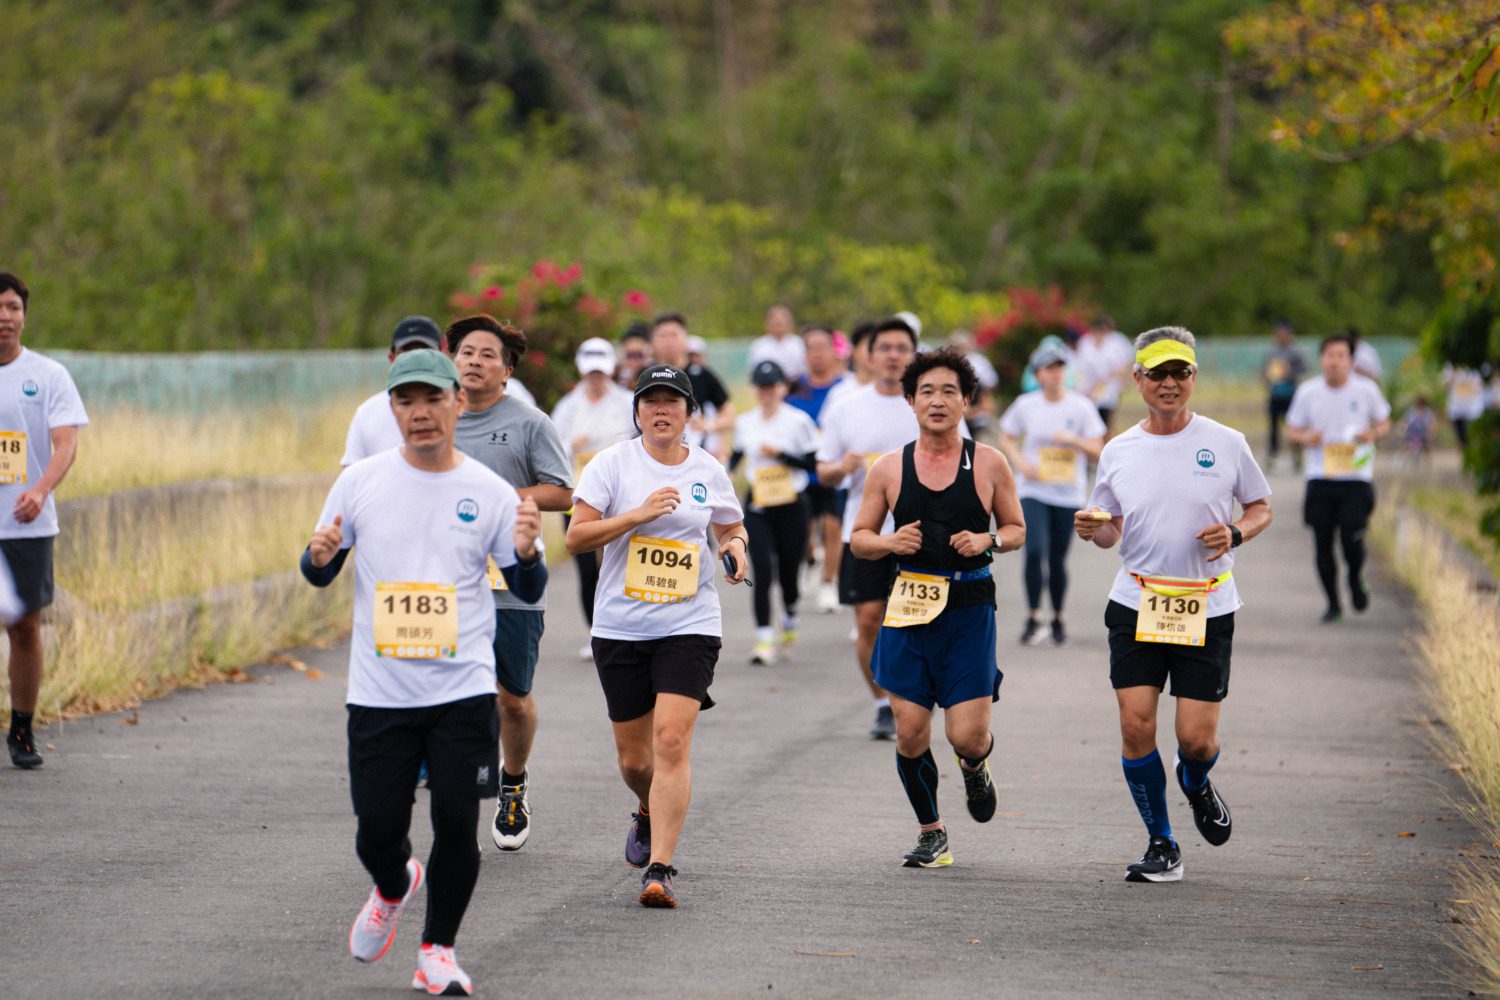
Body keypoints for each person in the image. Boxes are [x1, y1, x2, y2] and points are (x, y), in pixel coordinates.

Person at [301, 348, 546, 995]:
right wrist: (317, 556)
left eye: (432, 399)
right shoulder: (361, 482)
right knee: (377, 830)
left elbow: (526, 579)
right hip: (379, 694)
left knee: (456, 823)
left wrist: (524, 552)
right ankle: (392, 884)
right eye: (405, 402)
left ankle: (437, 950)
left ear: (456, 404)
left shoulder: (490, 493)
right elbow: (321, 568)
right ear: (392, 410)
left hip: (462, 691)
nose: (420, 413)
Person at [1074, 326, 1272, 884]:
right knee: (1137, 726)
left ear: (1193, 378)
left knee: (1196, 739)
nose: (1168, 383)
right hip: (1137, 600)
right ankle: (1162, 842)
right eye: (1157, 373)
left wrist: (1236, 533)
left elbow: (1261, 506)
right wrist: (1095, 530)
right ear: (1136, 379)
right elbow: (1110, 528)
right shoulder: (1118, 450)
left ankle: (1196, 780)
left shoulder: (1227, 441)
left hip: (1205, 605)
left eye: (1179, 373)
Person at [566, 363, 748, 909]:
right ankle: (645, 807)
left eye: (673, 402)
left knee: (671, 741)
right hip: (621, 625)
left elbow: (730, 526)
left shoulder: (709, 470)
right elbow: (576, 537)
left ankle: (660, 868)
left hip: (689, 623)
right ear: (638, 411)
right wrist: (637, 515)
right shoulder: (611, 465)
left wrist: (734, 549)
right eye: (651, 402)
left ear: (691, 413)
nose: (661, 411)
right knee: (635, 762)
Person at [852, 348, 1025, 867]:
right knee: (909, 730)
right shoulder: (888, 468)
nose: (938, 400)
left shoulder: (990, 462)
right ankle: (932, 832)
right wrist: (889, 544)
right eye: (926, 391)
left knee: (966, 735)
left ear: (967, 400)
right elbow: (859, 537)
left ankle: (974, 768)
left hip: (970, 606)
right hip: (908, 604)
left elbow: (1017, 530)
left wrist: (987, 541)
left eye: (950, 391)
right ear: (910, 401)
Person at [446, 314, 573, 853]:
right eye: (466, 352)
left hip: (513, 576)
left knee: (512, 699)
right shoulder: (438, 417)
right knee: (448, 689)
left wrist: (503, 496)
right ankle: (449, 780)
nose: (474, 362)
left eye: (486, 355)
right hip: (449, 578)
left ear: (507, 369)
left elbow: (563, 493)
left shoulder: (529, 423)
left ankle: (513, 782)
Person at [818, 317, 967, 740]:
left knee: (922, 622)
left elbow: (966, 458)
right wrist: (840, 467)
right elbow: (822, 469)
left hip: (925, 535)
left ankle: (918, 697)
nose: (892, 355)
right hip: (863, 533)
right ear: (869, 354)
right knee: (868, 621)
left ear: (914, 354)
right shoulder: (845, 405)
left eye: (902, 348)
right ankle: (884, 703)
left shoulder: (929, 401)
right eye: (884, 347)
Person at [0, 272, 87, 770]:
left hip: (26, 524)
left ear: (24, 314)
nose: (5, 317)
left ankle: (22, 730)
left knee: (25, 627)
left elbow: (66, 443)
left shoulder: (49, 375)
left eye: (13, 307)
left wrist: (39, 489)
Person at [999, 341, 1105, 646]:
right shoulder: (1025, 404)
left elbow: (1098, 449)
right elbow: (1007, 435)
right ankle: (1033, 616)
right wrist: (1019, 462)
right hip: (1033, 489)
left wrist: (1073, 440)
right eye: (1049, 368)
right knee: (1034, 551)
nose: (1056, 374)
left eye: (1060, 368)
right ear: (1037, 374)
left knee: (1058, 559)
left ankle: (1057, 617)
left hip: (1067, 494)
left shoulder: (1081, 406)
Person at [1284, 335, 1391, 622]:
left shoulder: (1366, 389)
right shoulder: (1308, 392)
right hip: (1320, 476)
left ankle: (1356, 578)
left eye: (1341, 356)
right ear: (1321, 359)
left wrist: (1373, 434)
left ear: (1350, 361)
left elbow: (1384, 420)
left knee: (1351, 539)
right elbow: (1291, 430)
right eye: (1329, 355)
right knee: (1322, 542)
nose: (1334, 361)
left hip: (1356, 476)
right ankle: (1332, 603)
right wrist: (1307, 438)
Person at [729, 360, 820, 665]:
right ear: (755, 389)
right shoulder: (745, 422)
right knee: (762, 569)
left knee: (788, 572)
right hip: (758, 504)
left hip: (792, 503)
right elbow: (737, 455)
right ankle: (764, 639)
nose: (766, 392)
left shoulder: (798, 421)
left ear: (782, 387)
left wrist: (779, 454)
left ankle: (791, 614)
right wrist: (725, 473)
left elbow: (812, 464)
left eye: (772, 386)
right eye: (761, 386)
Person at [551, 337, 636, 657]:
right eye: (591, 373)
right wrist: (572, 445)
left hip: (621, 493)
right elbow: (551, 449)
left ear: (611, 369)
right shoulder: (567, 407)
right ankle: (595, 631)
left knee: (621, 561)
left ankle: (626, 627)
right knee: (587, 568)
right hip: (580, 494)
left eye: (601, 372)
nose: (596, 378)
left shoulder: (628, 402)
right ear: (582, 371)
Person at [787, 324, 850, 613]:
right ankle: (811, 560)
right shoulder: (795, 388)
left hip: (834, 470)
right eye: (810, 348)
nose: (817, 354)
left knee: (833, 526)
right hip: (801, 473)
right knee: (804, 532)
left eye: (822, 347)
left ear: (832, 350)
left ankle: (828, 582)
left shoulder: (845, 388)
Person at [341, 316, 445, 466]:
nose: (415, 359)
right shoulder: (367, 414)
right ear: (392, 358)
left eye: (424, 351)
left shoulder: (454, 408)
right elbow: (352, 479)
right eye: (407, 352)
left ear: (440, 358)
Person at [650, 312, 733, 459]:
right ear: (653, 341)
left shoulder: (702, 375)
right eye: (662, 336)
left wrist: (708, 425)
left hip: (696, 456)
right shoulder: (645, 376)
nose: (668, 342)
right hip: (653, 455)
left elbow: (729, 414)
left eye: (674, 335)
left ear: (685, 339)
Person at [1074, 315, 1135, 433]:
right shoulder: (1085, 343)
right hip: (1089, 388)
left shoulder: (1116, 343)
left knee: (1105, 419)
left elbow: (1124, 364)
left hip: (1109, 388)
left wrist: (1123, 382)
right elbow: (1080, 367)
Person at [1262, 320, 1308, 471]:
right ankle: (1272, 455)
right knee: (1274, 427)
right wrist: (1266, 377)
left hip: (1291, 395)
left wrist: (1289, 374)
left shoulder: (1295, 351)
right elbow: (1263, 371)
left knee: (1293, 426)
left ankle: (1296, 455)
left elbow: (1304, 369)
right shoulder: (1271, 351)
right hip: (1275, 394)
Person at [947, 328, 999, 443]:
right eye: (956, 346)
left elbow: (990, 386)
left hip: (976, 416)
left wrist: (976, 408)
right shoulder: (947, 363)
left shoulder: (979, 362)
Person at [747, 303, 807, 381]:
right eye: (775, 321)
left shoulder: (799, 344)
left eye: (781, 322)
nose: (778, 324)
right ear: (767, 323)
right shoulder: (759, 346)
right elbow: (753, 371)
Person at [1443, 364, 1485, 448]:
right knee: (1461, 438)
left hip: (1473, 409)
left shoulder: (1477, 364)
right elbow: (1446, 385)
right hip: (1456, 409)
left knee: (1471, 436)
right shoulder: (1452, 366)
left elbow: (1481, 385)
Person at [615, 322, 653, 390]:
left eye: (638, 355)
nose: (633, 361)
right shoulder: (617, 375)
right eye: (630, 356)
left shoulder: (654, 373)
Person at [1402, 396, 1435, 467]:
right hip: (1412, 432)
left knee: (1426, 447)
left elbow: (1431, 424)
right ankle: (1403, 464)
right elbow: (1406, 422)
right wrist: (1404, 428)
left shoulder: (1428, 412)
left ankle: (1428, 464)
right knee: (1409, 447)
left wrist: (1431, 432)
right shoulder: (1411, 411)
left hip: (1423, 433)